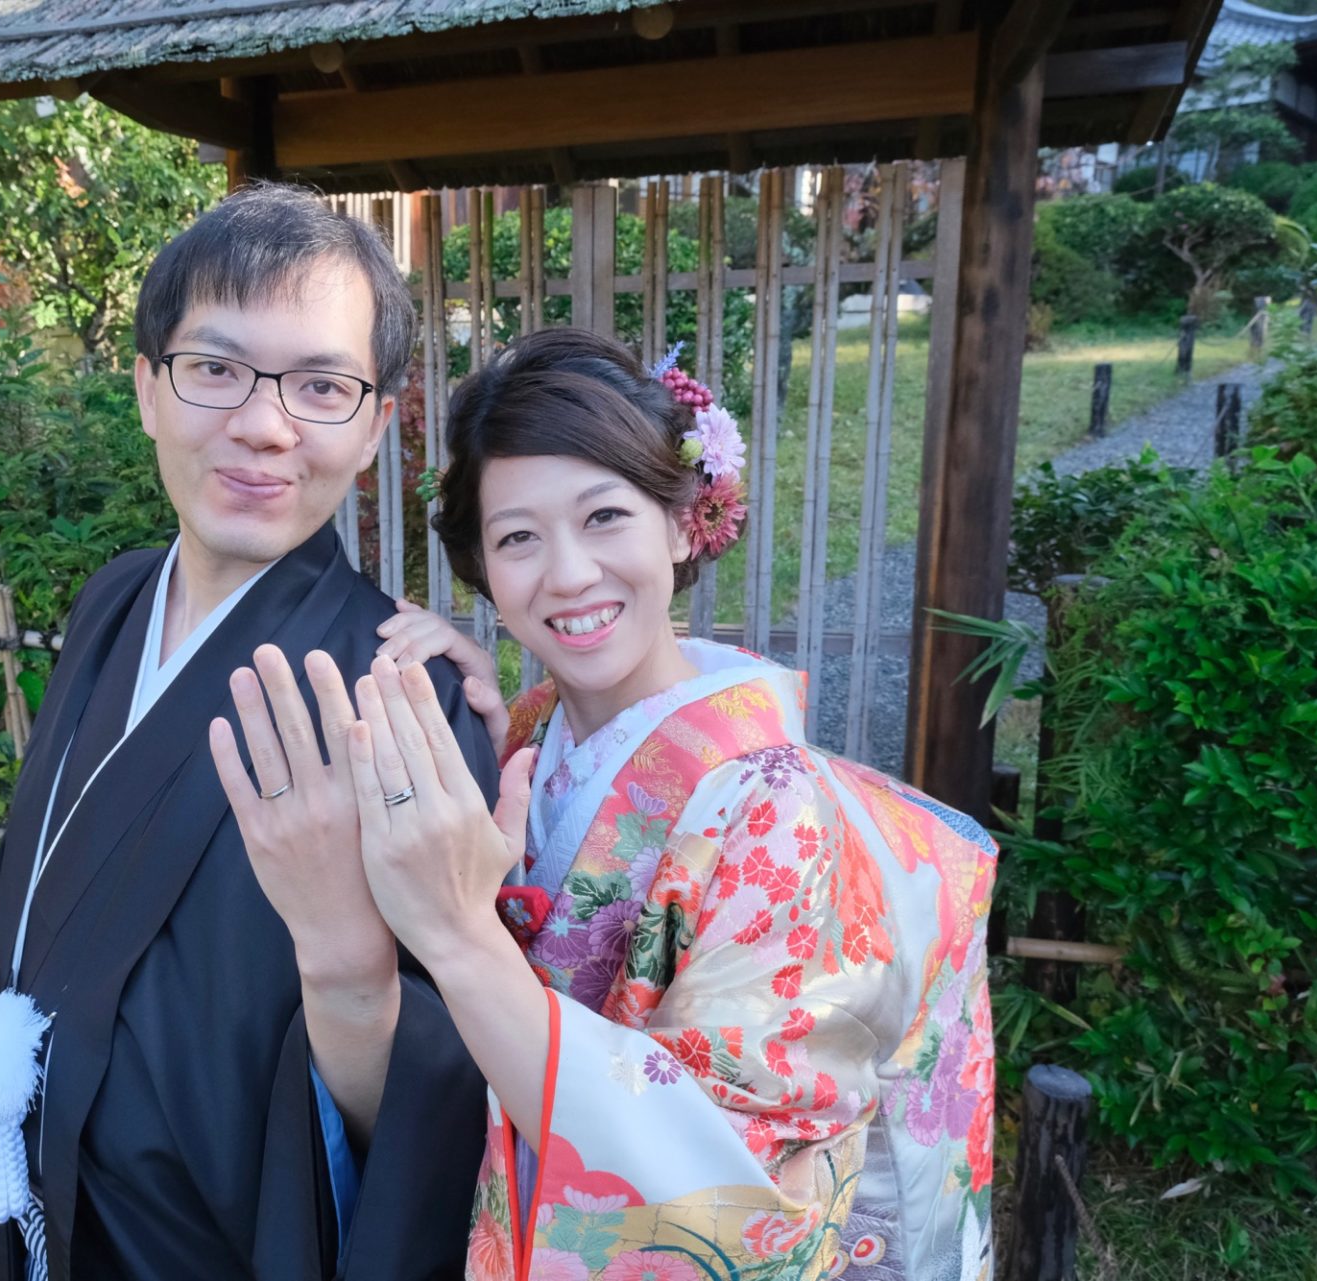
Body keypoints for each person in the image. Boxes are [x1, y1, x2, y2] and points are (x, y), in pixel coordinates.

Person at [300, 328, 1000, 1280]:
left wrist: (462, 932)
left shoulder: (773, 804)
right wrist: (476, 731)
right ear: (482, 572)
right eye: (517, 538)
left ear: (680, 521)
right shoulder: (532, 734)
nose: (570, 573)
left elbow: (728, 1173)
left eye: (604, 517)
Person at [0, 183, 498, 1281]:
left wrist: (342, 952)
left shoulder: (399, 699)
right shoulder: (113, 601)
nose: (263, 424)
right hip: (50, 1192)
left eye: (322, 384)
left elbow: (442, 1088)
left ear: (378, 420)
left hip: (222, 1247)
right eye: (215, 368)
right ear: (148, 388)